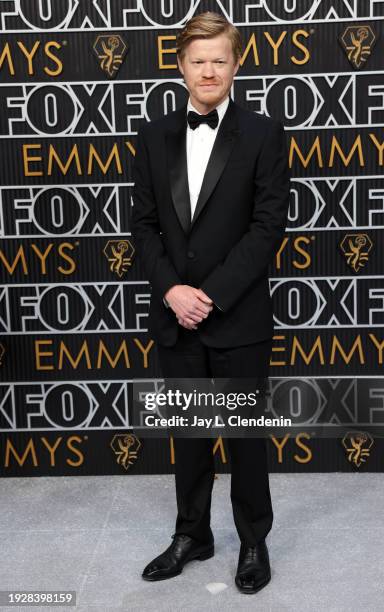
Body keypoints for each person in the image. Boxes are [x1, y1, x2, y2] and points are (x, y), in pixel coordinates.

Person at [132, 11, 290, 595]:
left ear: (235, 64)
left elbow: (268, 227)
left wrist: (212, 296)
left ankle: (253, 539)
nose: (208, 70)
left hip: (238, 315)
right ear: (180, 67)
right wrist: (173, 291)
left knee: (245, 438)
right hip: (176, 315)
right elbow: (143, 226)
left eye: (219, 59)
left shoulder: (264, 134)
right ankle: (192, 534)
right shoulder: (153, 136)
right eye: (197, 60)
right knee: (190, 437)